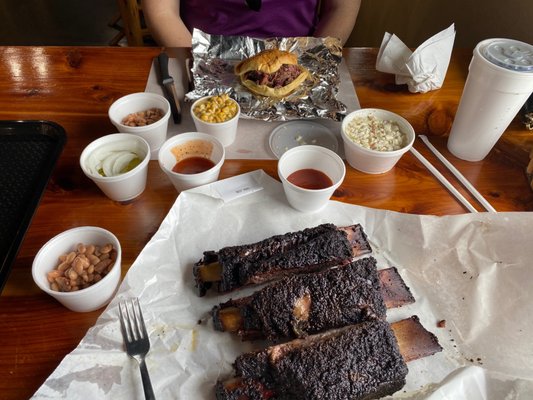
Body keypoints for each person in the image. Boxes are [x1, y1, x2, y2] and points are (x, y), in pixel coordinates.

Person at [142, 0, 360, 47]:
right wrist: (198, 63)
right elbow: (162, 12)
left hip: (300, 55)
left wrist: (314, 58)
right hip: (196, 56)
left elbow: (341, 8)